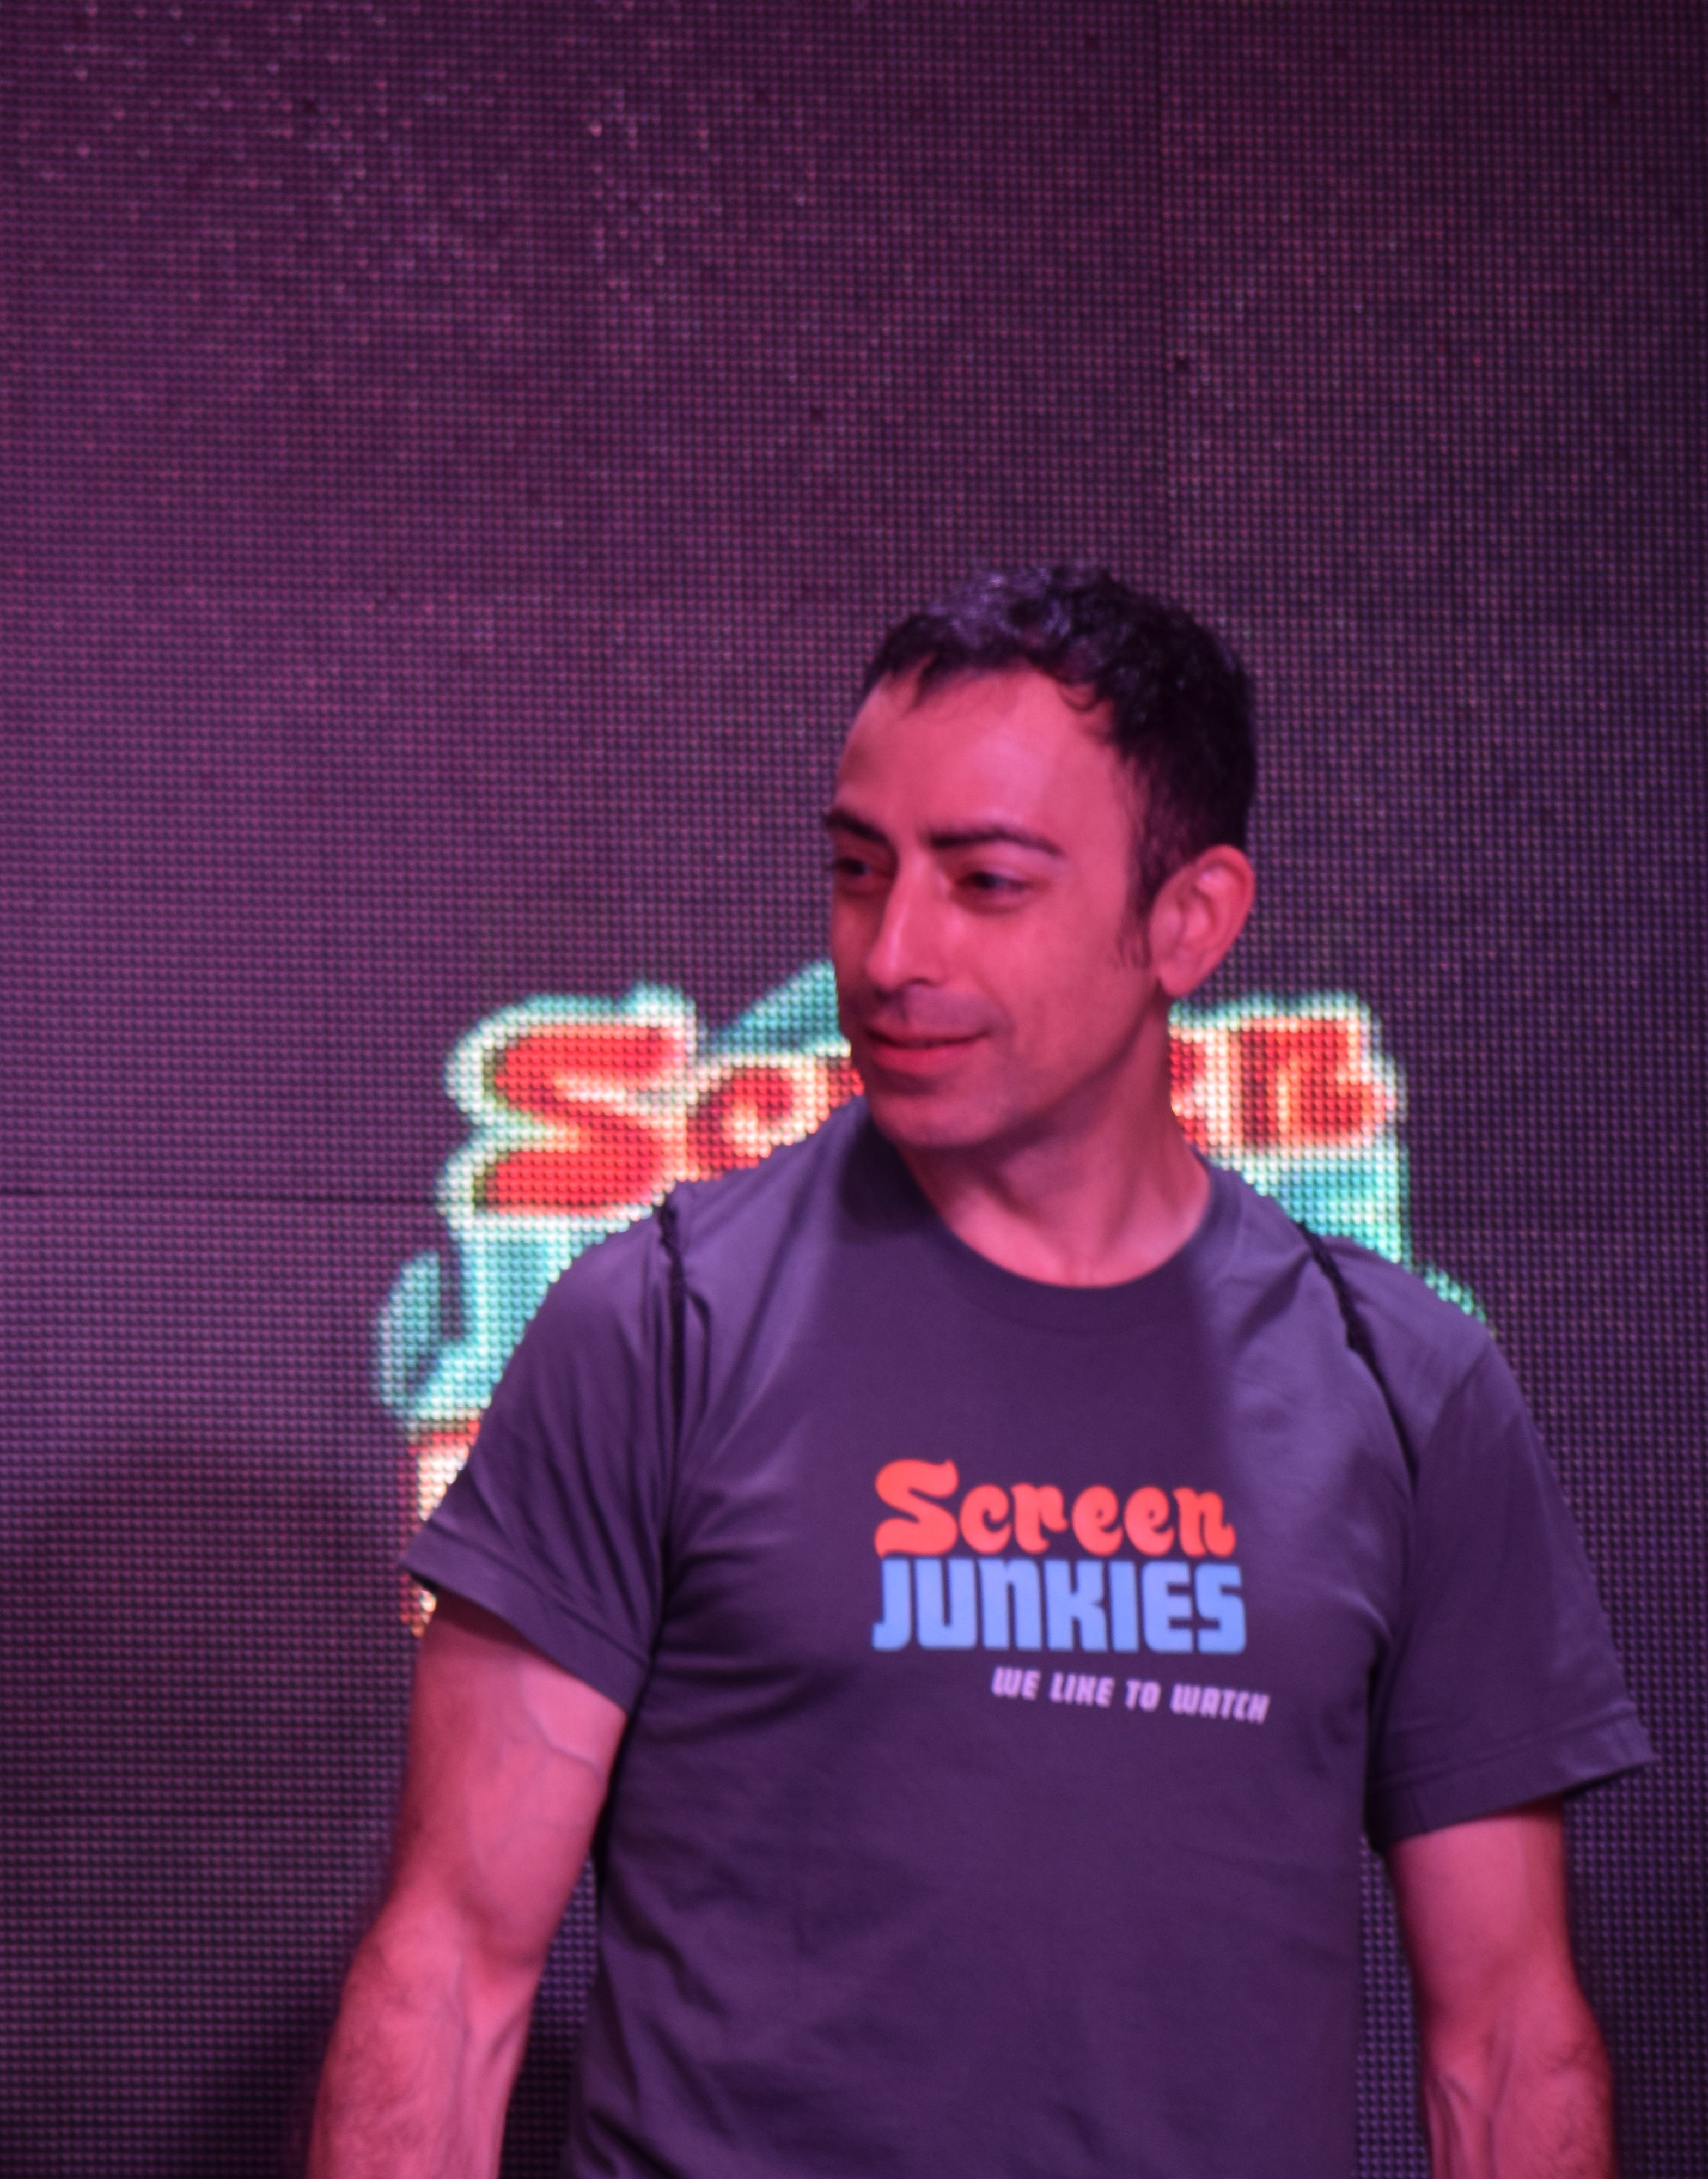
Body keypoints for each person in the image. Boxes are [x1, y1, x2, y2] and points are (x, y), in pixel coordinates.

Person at [311, 564, 1649, 2179]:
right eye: (859, 870)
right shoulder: (657, 1329)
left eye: (985, 882)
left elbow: (1506, 2041)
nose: (891, 953)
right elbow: (450, 1974)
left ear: (1191, 920)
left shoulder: (1406, 1386)